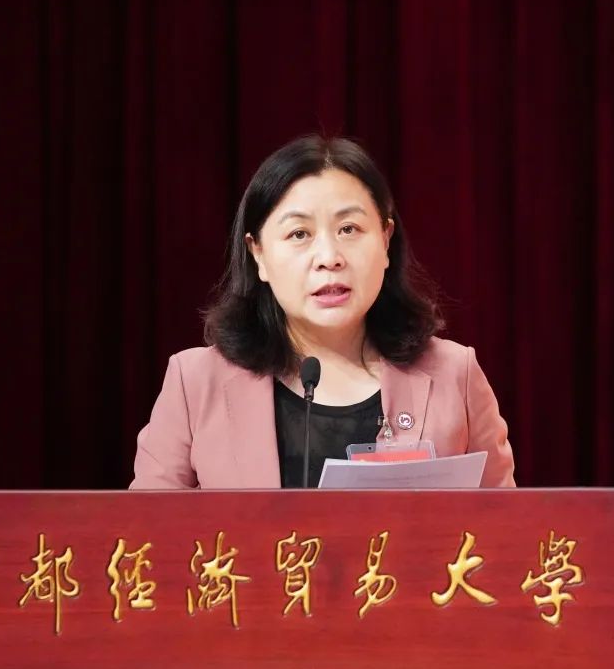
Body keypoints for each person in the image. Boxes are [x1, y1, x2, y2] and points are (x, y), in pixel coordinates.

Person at [130, 135, 515, 489]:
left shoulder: (455, 375)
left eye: (349, 229)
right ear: (258, 254)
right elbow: (145, 532)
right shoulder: (196, 384)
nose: (329, 257)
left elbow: (509, 529)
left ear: (385, 241)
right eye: (299, 234)